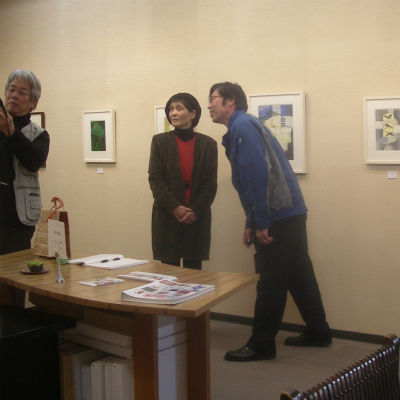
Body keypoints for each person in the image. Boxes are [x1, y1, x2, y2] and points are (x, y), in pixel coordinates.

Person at [208, 82, 331, 361]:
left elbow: (256, 176)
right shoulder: (245, 125)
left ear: (230, 101)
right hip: (290, 211)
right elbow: (253, 178)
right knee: (299, 274)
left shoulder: (242, 127)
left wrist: (260, 221)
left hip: (278, 214)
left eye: (213, 98)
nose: (209, 105)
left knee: (270, 281)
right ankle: (318, 330)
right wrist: (251, 221)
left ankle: (262, 344)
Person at [148, 93, 217, 269]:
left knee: (193, 275)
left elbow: (210, 185)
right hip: (167, 216)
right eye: (171, 109)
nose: (173, 113)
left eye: (179, 108)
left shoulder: (208, 144)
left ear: (193, 114)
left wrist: (194, 211)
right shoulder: (159, 142)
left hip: (196, 218)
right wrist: (174, 207)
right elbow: (155, 180)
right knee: (168, 275)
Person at [0, 69, 50, 255]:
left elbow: (34, 161)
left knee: (13, 268)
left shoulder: (39, 135)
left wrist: (11, 132)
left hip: (18, 219)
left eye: (22, 92)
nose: (14, 95)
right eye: (11, 89)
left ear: (33, 102)